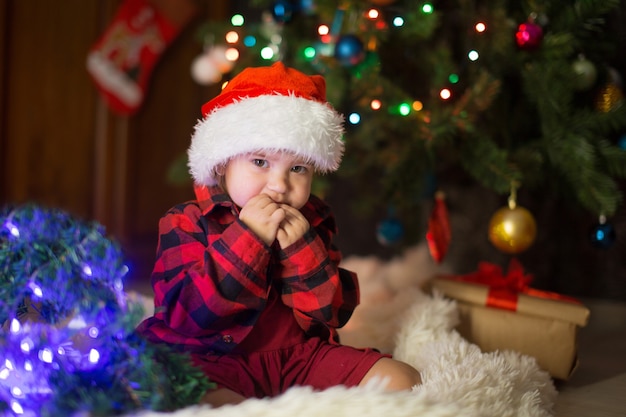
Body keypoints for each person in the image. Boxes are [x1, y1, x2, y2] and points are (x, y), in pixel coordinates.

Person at [135, 62, 421, 407]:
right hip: (209, 357)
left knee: (403, 380)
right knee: (196, 396)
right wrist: (248, 237)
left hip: (296, 357)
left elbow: (329, 314)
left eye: (297, 168)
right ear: (224, 162)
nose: (279, 185)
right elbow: (187, 315)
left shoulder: (312, 221)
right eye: (260, 162)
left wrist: (302, 248)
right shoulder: (186, 221)